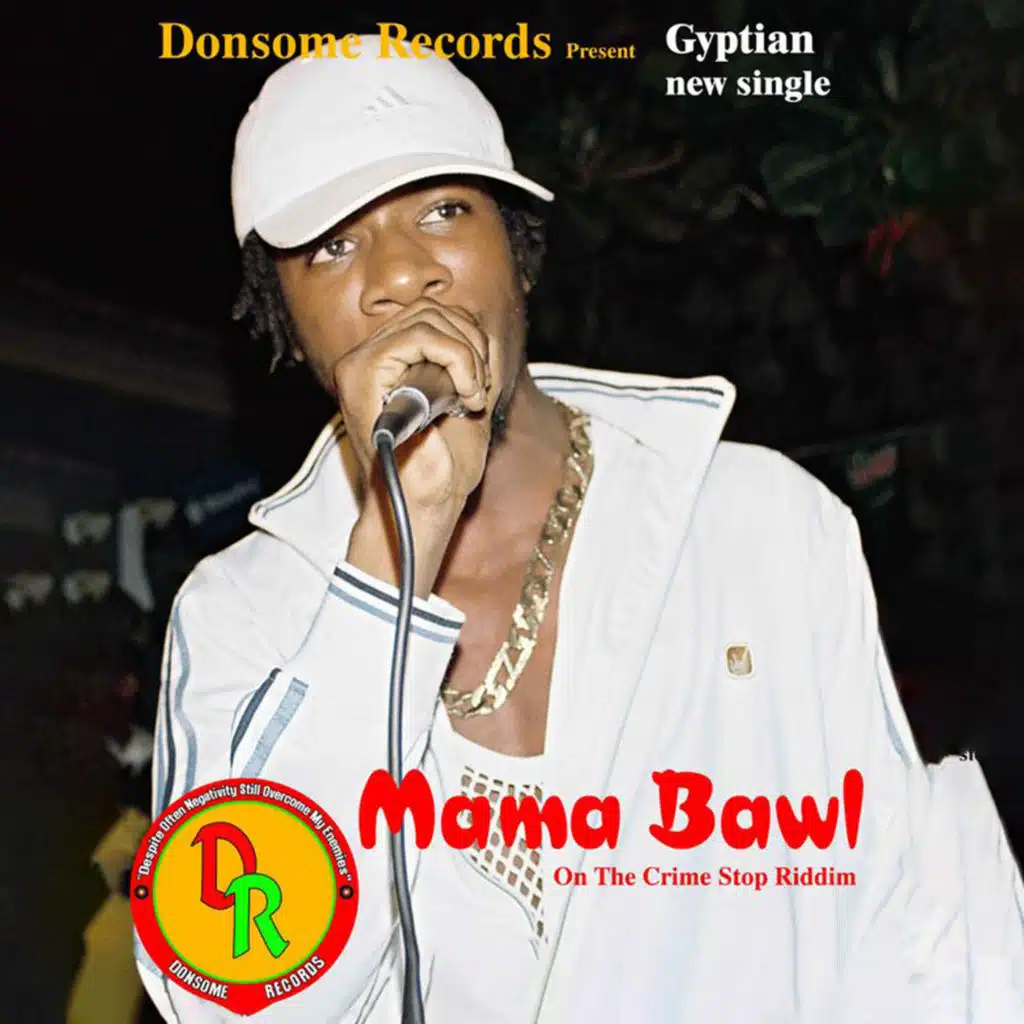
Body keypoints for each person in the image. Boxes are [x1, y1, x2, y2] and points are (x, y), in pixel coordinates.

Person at [135, 38, 1022, 1022]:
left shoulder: (756, 521)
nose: (400, 275)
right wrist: (393, 552)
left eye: (442, 210)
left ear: (516, 250)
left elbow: (909, 922)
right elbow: (234, 997)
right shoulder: (242, 614)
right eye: (332, 247)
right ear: (285, 317)